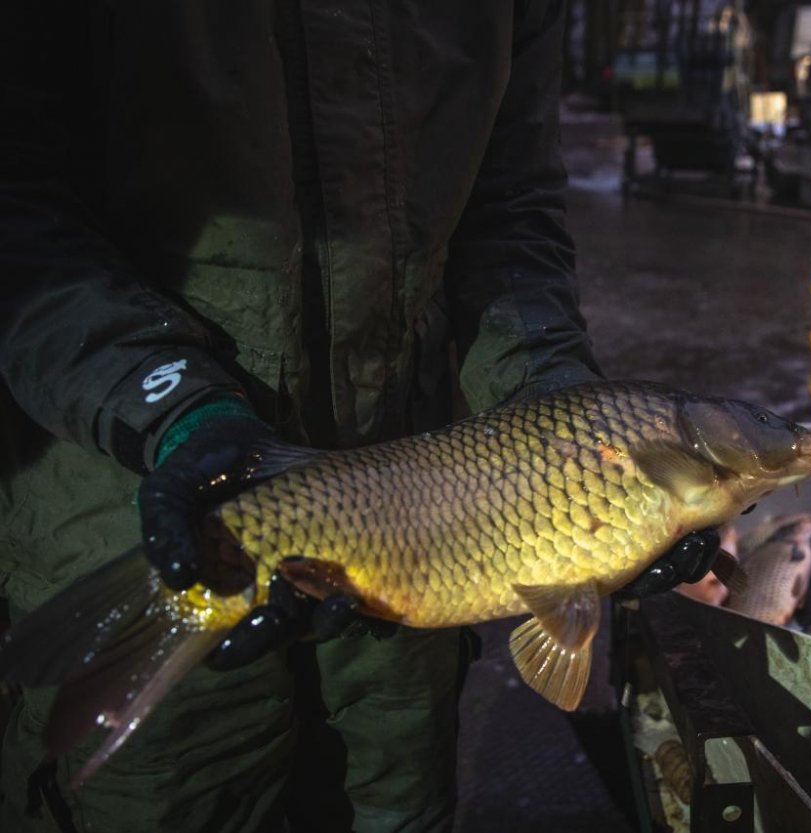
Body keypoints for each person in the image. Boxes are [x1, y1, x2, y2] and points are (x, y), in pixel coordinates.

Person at [0, 3, 717, 831]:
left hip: (429, 537)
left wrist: (552, 410)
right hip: (131, 491)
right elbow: (17, 198)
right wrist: (168, 402)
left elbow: (509, 204)